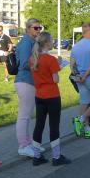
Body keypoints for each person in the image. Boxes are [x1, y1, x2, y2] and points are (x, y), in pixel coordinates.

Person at [30, 32, 71, 166]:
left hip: (39, 95)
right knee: (54, 125)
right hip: (52, 95)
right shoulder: (51, 59)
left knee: (39, 124)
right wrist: (59, 67)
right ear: (47, 43)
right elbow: (55, 79)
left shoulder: (33, 59)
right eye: (52, 40)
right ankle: (56, 156)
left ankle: (36, 156)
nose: (53, 42)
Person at [14, 19, 44, 158]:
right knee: (24, 115)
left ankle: (28, 143)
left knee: (28, 115)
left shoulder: (32, 42)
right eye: (35, 28)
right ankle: (23, 146)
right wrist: (41, 65)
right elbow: (25, 64)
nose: (38, 30)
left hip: (29, 81)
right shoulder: (26, 42)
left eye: (39, 28)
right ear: (28, 28)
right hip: (25, 81)